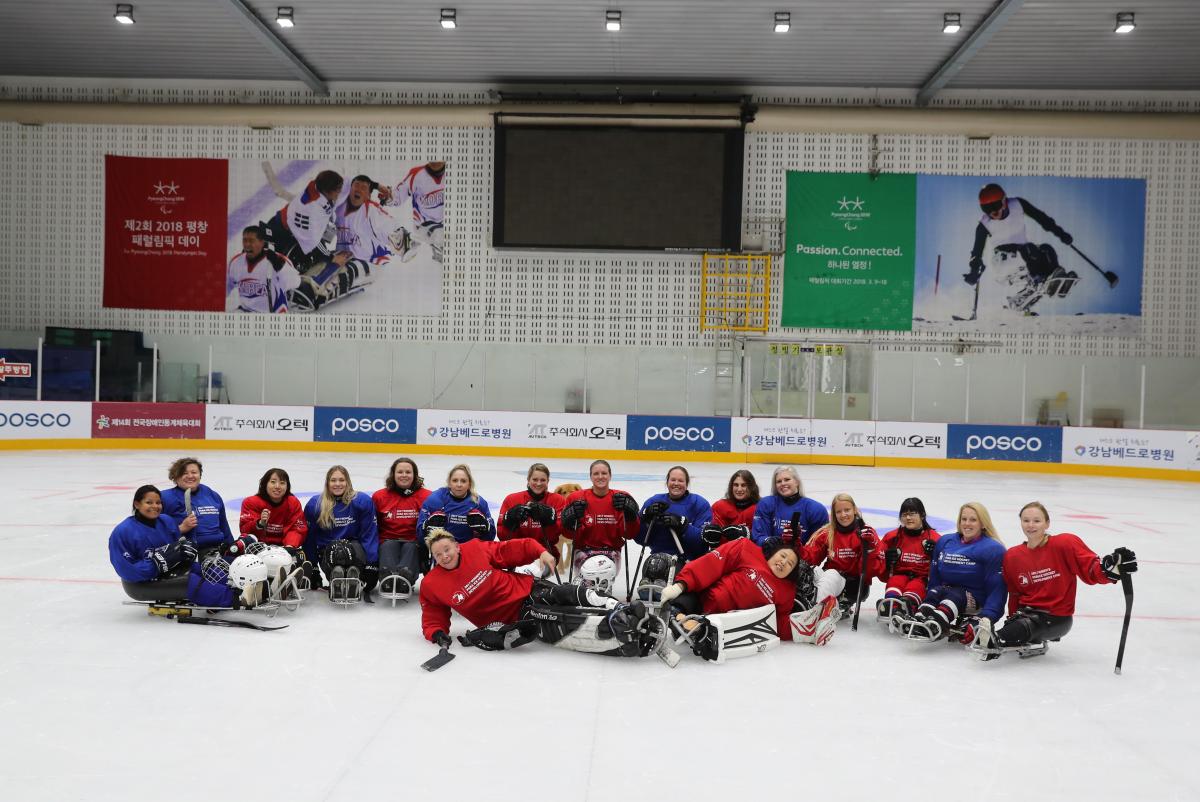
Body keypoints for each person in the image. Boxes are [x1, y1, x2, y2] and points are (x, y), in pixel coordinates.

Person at [418, 528, 659, 658]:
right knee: (558, 619)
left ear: (456, 546)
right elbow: (432, 615)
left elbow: (514, 548)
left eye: (447, 549)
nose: (444, 556)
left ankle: (619, 608)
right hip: (512, 616)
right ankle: (617, 639)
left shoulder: (475, 549)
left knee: (565, 593)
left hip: (527, 588)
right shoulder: (432, 584)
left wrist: (540, 552)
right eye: (438, 554)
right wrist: (437, 633)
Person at [970, 502, 1138, 660]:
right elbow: (1015, 594)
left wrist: (1108, 570)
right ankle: (999, 637)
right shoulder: (1013, 556)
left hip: (1057, 618)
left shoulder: (1064, 544)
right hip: (1025, 614)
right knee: (1021, 625)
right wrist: (1011, 619)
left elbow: (1090, 569)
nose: (1031, 525)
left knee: (1023, 627)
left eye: (1037, 520)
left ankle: (995, 641)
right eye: (1026, 520)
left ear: (1047, 523)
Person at [897, 502, 1006, 643]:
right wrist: (930, 596)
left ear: (983, 524)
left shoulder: (993, 549)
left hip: (974, 598)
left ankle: (935, 622)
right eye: (964, 519)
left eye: (973, 520)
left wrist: (986, 617)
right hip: (946, 591)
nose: (967, 523)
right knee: (935, 592)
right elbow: (934, 579)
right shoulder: (945, 541)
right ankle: (920, 618)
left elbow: (997, 590)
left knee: (954, 596)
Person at [964, 183, 1079, 313]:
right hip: (1003, 261)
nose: (993, 212)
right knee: (1028, 249)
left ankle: (1054, 281)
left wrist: (1061, 233)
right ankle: (1039, 280)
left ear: (1004, 201)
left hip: (1026, 257)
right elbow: (976, 252)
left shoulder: (1017, 205)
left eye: (995, 206)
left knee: (1047, 249)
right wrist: (974, 272)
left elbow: (1042, 218)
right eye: (986, 208)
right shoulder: (984, 224)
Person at [303, 465, 379, 602]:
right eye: (333, 480)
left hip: (355, 549)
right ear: (327, 483)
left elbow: (369, 534)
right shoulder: (315, 504)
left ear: (348, 482)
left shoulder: (362, 501)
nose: (337, 484)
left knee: (352, 549)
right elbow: (310, 538)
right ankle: (337, 575)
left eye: (341, 480)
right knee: (335, 552)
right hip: (328, 551)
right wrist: (312, 565)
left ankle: (352, 575)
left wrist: (371, 565)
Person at [110, 485, 197, 601]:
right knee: (198, 583)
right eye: (149, 502)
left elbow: (174, 551)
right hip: (139, 584)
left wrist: (184, 553)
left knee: (207, 573)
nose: (155, 506)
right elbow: (127, 571)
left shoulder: (166, 521)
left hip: (168, 574)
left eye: (158, 502)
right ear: (137, 504)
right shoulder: (123, 532)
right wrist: (157, 564)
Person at [800, 493, 880, 613]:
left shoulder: (866, 533)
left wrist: (870, 549)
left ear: (854, 510)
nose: (843, 515)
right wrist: (794, 543)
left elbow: (872, 570)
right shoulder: (826, 533)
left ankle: (814, 610)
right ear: (834, 514)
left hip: (854, 584)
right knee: (806, 570)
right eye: (839, 512)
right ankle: (806, 601)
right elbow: (810, 558)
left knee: (834, 575)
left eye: (847, 510)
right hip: (830, 579)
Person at [561, 460, 639, 578]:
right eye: (596, 473)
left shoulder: (621, 498)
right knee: (589, 578)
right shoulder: (576, 498)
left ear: (610, 475)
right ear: (590, 476)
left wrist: (631, 518)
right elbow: (568, 534)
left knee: (602, 576)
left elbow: (630, 534)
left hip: (611, 551)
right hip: (583, 550)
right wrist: (568, 522)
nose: (600, 477)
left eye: (604, 473)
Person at [372, 457, 432, 596]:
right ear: (393, 474)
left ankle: (405, 577)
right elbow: (372, 527)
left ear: (415, 475)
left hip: (414, 542)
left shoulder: (427, 496)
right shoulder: (379, 496)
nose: (404, 475)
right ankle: (387, 577)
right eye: (400, 472)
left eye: (408, 472)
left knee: (410, 547)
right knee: (388, 546)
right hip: (387, 540)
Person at [875, 497, 941, 621]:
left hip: (921, 579)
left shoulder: (935, 539)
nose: (908, 518)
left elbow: (944, 569)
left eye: (912, 514)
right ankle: (891, 605)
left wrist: (935, 556)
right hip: (899, 575)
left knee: (915, 587)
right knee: (894, 582)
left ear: (922, 515)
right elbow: (879, 568)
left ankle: (907, 605)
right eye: (905, 514)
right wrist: (887, 563)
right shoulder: (892, 537)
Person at [635, 465, 712, 562]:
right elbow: (641, 539)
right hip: (658, 560)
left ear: (686, 483)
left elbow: (703, 544)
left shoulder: (699, 504)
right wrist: (644, 518)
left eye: (680, 481)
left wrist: (684, 527)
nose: (676, 483)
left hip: (689, 562)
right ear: (667, 482)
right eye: (673, 480)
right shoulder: (654, 501)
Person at [160, 457, 233, 555]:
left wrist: (232, 548)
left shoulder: (212, 496)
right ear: (175, 477)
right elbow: (156, 533)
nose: (190, 476)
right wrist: (181, 528)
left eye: (194, 472)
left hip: (218, 550)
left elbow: (225, 528)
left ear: (200, 475)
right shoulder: (165, 498)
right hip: (187, 553)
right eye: (184, 473)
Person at [226, 225, 300, 313]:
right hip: (246, 311)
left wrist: (279, 266)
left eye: (251, 241)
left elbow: (295, 282)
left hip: (274, 313)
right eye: (245, 240)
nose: (247, 244)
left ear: (261, 243)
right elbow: (226, 287)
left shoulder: (277, 260)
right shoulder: (236, 262)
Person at [417, 464, 496, 544]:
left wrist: (486, 528)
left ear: (469, 484)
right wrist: (426, 527)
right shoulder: (435, 499)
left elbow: (490, 538)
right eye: (455, 480)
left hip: (469, 549)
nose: (459, 485)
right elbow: (419, 537)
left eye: (463, 481)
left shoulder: (479, 503)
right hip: (442, 550)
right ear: (449, 483)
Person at [382, 161, 445, 263]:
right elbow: (398, 196)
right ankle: (414, 243)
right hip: (424, 226)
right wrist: (389, 197)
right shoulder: (417, 174)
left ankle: (437, 249)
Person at [750, 466, 828, 547]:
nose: (783, 483)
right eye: (779, 481)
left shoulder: (816, 509)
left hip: (801, 557)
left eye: (787, 479)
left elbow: (818, 546)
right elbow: (759, 536)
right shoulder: (766, 504)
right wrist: (770, 543)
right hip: (770, 555)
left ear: (797, 482)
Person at [498, 463, 566, 554]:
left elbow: (561, 533)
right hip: (517, 551)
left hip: (545, 552)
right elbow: (501, 535)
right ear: (528, 480)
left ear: (548, 481)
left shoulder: (557, 500)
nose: (538, 483)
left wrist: (550, 520)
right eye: (535, 479)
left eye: (543, 480)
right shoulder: (511, 499)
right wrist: (509, 521)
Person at [335, 174, 398, 263]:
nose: (358, 190)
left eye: (363, 188)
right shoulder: (339, 205)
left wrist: (400, 239)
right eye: (356, 186)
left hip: (370, 261)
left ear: (368, 196)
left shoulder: (372, 210)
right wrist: (377, 186)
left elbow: (390, 226)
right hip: (342, 258)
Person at [704, 469, 760, 550]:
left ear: (751, 487)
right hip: (722, 555)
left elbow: (764, 535)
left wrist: (749, 535)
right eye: (736, 485)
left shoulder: (760, 509)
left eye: (743, 485)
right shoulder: (719, 507)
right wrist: (710, 537)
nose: (739, 489)